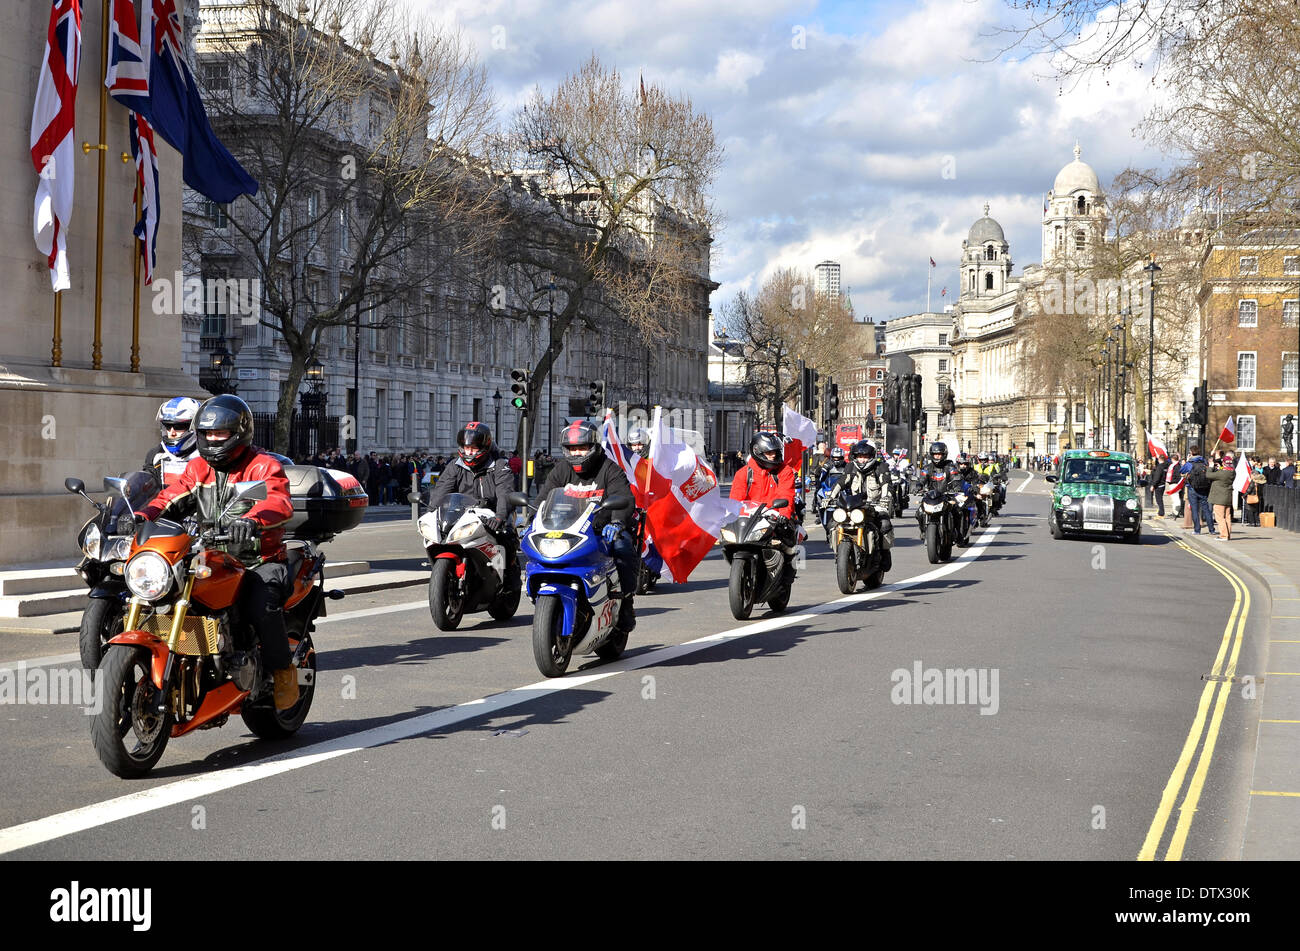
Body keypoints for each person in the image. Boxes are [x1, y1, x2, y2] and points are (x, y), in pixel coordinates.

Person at [134, 395, 300, 711]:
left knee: (260, 603)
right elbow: (171, 496)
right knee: (166, 590)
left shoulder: (263, 466)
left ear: (239, 432)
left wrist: (252, 521)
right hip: (209, 556)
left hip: (258, 560)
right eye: (207, 434)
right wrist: (144, 514)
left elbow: (279, 502)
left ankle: (282, 672)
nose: (212, 440)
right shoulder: (198, 468)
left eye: (220, 434)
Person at [538, 420, 639, 634]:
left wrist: (617, 522)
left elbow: (625, 498)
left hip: (602, 530)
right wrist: (532, 521)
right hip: (568, 530)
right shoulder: (561, 470)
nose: (577, 453)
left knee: (623, 549)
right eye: (572, 449)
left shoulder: (609, 468)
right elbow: (543, 500)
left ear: (593, 446)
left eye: (581, 448)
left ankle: (627, 601)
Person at [428, 422, 521, 593]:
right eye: (466, 447)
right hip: (463, 513)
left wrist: (500, 516)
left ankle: (509, 577)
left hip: (492, 512)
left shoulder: (500, 465)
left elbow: (504, 493)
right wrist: (431, 511)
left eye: (473, 448)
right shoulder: (455, 466)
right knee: (441, 536)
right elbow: (441, 489)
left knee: (505, 537)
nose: (469, 452)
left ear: (484, 447)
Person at [828, 440, 893, 570]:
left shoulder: (881, 467)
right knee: (833, 523)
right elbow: (841, 482)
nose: (862, 460)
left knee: (884, 524)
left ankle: (884, 554)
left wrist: (886, 498)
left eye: (865, 457)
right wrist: (830, 497)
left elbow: (886, 484)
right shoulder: (851, 466)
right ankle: (839, 553)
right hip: (854, 504)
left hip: (875, 504)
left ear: (871, 457)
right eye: (859, 456)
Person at [144, 397, 202, 485]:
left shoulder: (206, 456)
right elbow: (145, 485)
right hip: (165, 498)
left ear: (194, 426)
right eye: (167, 426)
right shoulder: (156, 455)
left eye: (179, 427)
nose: (172, 432)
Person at [1181, 446, 1215, 535]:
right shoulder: (1204, 461)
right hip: (1204, 488)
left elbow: (1182, 470)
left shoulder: (1190, 463)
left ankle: (1197, 530)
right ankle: (1211, 529)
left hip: (1192, 488)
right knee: (1206, 509)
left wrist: (1187, 461)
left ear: (1191, 453)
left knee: (1195, 510)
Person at [1206, 455, 1236, 539]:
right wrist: (1220, 468)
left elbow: (1208, 475)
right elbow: (1223, 472)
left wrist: (1211, 467)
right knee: (1227, 517)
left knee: (1219, 517)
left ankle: (1223, 535)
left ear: (1223, 463)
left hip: (1219, 497)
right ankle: (1228, 534)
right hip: (1228, 497)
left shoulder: (1222, 473)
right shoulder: (1232, 472)